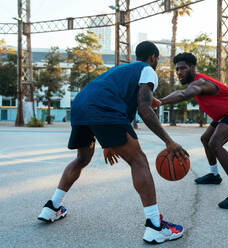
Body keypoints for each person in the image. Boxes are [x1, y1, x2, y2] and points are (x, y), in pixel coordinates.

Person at [38, 41, 188, 244]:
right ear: (153, 57)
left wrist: (107, 142)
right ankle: (155, 226)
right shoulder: (147, 70)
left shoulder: (123, 70)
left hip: (81, 106)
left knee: (82, 159)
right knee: (138, 161)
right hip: (104, 110)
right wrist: (169, 141)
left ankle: (52, 207)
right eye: (157, 59)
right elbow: (144, 109)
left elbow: (116, 97)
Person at [156, 52, 228, 209]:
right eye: (177, 70)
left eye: (183, 68)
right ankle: (214, 175)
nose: (179, 72)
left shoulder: (200, 82)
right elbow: (182, 91)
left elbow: (182, 95)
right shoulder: (195, 82)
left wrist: (160, 101)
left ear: (192, 67)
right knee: (205, 139)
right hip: (224, 113)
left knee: (215, 143)